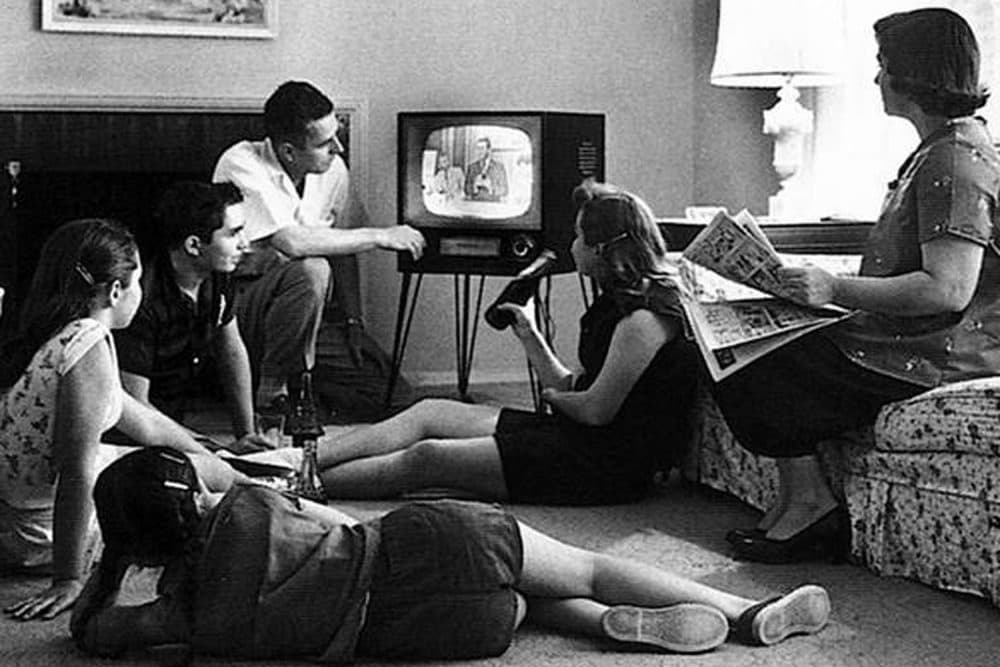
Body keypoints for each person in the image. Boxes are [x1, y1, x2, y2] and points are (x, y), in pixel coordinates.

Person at [70, 447, 832, 661]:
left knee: (524, 606)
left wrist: (106, 571)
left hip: (430, 635)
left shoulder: (185, 617)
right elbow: (332, 515)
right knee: (584, 560)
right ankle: (743, 609)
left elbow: (93, 634)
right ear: (195, 493)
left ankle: (604, 627)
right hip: (427, 547)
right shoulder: (248, 502)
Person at [715, 8, 1000, 563]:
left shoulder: (956, 159)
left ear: (912, 72)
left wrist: (832, 289)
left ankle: (810, 508)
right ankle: (799, 500)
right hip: (903, 340)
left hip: (932, 356)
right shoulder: (943, 148)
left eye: (882, 64)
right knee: (736, 341)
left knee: (750, 357)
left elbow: (946, 290)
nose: (876, 78)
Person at [312, 181, 699, 504]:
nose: (572, 244)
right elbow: (572, 388)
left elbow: (593, 410)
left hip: (605, 466)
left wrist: (552, 401)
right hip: (578, 435)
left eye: (579, 235)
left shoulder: (644, 320)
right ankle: (300, 460)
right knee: (429, 413)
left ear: (601, 249)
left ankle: (299, 487)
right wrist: (530, 334)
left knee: (428, 457)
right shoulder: (615, 302)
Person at [0, 219, 240, 621]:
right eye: (138, 281)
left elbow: (142, 422)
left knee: (207, 467)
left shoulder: (62, 332)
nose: (142, 293)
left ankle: (267, 479)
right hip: (45, 532)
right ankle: (277, 491)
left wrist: (216, 456)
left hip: (25, 514)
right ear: (115, 291)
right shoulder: (88, 345)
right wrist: (68, 579)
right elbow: (76, 471)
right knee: (195, 492)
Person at [212, 80, 426, 408]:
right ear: (287, 151)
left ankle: (300, 379)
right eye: (326, 142)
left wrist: (354, 322)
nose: (338, 147)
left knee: (395, 397)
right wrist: (381, 235)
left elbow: (343, 247)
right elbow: (291, 242)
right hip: (242, 313)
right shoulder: (240, 163)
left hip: (307, 319)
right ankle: (273, 387)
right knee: (312, 268)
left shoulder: (332, 168)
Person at [114, 181, 272, 454]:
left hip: (175, 428)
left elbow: (231, 352)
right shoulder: (142, 300)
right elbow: (135, 408)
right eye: (234, 234)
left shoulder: (218, 277)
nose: (245, 245)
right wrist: (212, 450)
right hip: (131, 439)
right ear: (194, 245)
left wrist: (246, 434)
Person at [464, 136, 509, 201]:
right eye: (477, 149)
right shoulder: (471, 167)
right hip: (474, 205)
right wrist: (474, 187)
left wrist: (491, 187)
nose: (479, 151)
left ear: (488, 150)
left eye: (482, 148)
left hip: (493, 205)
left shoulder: (499, 167)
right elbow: (466, 189)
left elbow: (505, 190)